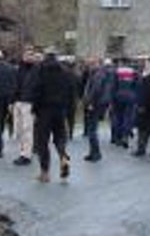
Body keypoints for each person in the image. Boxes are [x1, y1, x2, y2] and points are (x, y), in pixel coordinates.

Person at [31, 50, 75, 182]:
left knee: (42, 141)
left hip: (44, 110)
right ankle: (63, 155)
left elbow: (36, 90)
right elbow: (71, 92)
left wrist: (34, 109)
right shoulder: (66, 72)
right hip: (60, 110)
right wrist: (68, 110)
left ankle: (45, 172)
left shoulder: (40, 70)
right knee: (59, 137)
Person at [82, 58, 116, 162]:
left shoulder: (98, 74)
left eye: (92, 63)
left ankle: (95, 154)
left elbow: (95, 90)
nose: (90, 65)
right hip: (97, 103)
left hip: (95, 104)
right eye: (89, 63)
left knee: (92, 130)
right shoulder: (98, 73)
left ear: (98, 64)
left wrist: (90, 102)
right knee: (92, 130)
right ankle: (93, 152)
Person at [11, 48, 39, 166]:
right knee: (19, 130)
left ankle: (26, 155)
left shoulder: (37, 70)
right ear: (23, 56)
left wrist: (36, 104)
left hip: (29, 102)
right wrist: (12, 101)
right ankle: (23, 151)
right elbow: (14, 85)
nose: (29, 57)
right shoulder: (19, 69)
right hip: (18, 102)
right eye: (27, 55)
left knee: (27, 129)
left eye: (31, 55)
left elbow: (39, 88)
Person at [111, 61, 139, 148]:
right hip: (130, 98)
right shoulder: (134, 72)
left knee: (118, 118)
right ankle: (125, 137)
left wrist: (112, 98)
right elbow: (137, 86)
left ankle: (118, 138)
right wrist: (135, 96)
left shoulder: (117, 72)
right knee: (127, 118)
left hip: (118, 97)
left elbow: (113, 86)